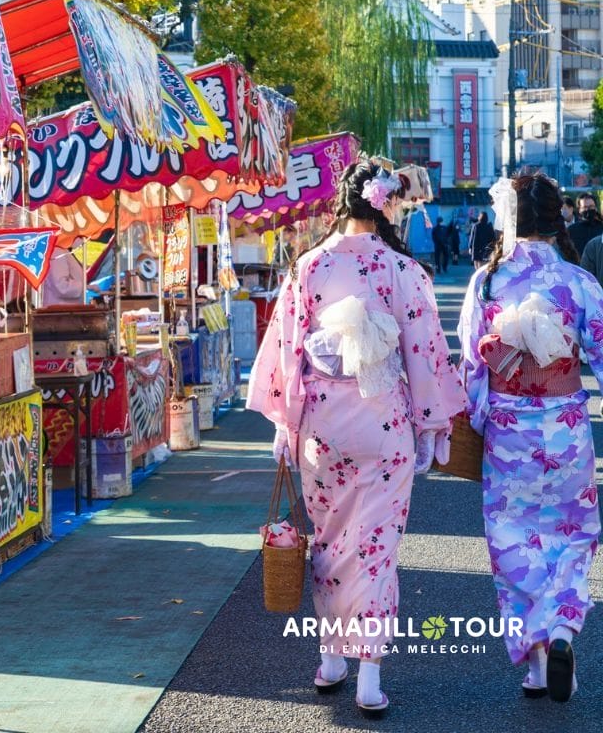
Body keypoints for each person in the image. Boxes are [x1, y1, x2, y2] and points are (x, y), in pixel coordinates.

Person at [248, 159, 466, 718]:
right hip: (383, 419)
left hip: (323, 422)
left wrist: (283, 423)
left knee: (329, 540)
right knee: (376, 547)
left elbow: (287, 352)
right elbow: (422, 353)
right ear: (385, 205)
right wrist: (429, 425)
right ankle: (369, 674)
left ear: (341, 204)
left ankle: (329, 660)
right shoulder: (402, 270)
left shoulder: (307, 267)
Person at [458, 173, 603, 703]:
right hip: (566, 428)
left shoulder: (488, 282)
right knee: (571, 532)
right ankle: (564, 630)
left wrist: (477, 416)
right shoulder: (579, 283)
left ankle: (539, 665)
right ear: (557, 217)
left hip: (510, 428)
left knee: (513, 537)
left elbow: (474, 361)